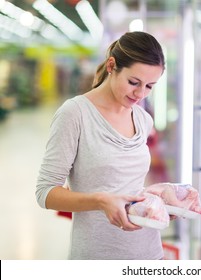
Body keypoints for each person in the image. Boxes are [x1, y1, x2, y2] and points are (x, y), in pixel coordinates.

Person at [35, 31, 167, 260]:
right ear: (111, 65)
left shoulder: (143, 118)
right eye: (133, 82)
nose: (140, 94)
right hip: (97, 256)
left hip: (150, 253)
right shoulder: (74, 114)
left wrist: (161, 203)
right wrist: (101, 201)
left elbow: (129, 186)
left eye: (149, 86)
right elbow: (45, 193)